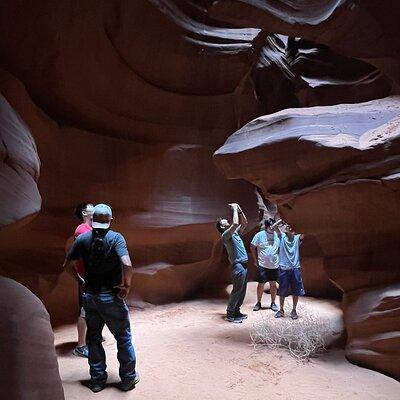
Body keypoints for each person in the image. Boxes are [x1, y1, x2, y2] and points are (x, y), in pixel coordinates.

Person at [63, 204, 139, 393]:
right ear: (110, 220)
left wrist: (80, 281)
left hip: (91, 297)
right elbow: (127, 264)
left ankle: (97, 380)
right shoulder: (116, 238)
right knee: (123, 337)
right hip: (111, 297)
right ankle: (128, 379)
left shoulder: (83, 239)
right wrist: (126, 286)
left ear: (93, 219)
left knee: (94, 338)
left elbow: (67, 264)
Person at [216, 203, 248, 323]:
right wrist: (234, 208)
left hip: (244, 266)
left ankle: (236, 311)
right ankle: (230, 314)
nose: (227, 221)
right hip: (238, 266)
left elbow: (244, 223)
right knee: (237, 290)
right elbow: (235, 224)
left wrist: (239, 210)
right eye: (224, 221)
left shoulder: (235, 233)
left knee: (242, 291)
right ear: (222, 227)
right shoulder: (225, 235)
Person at [72, 202, 94, 358]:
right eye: (91, 207)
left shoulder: (91, 229)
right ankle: (80, 346)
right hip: (86, 277)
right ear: (85, 213)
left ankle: (90, 336)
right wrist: (80, 278)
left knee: (93, 308)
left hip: (92, 276)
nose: (95, 209)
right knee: (84, 310)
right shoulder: (82, 230)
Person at [275, 222, 305, 320]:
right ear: (285, 228)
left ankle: (294, 310)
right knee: (282, 290)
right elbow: (273, 226)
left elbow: (305, 231)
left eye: (292, 227)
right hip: (283, 268)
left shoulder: (297, 238)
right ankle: (281, 309)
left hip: (295, 268)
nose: (290, 228)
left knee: (296, 290)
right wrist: (281, 221)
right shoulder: (282, 236)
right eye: (288, 227)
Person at [250, 218, 280, 312]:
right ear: (266, 227)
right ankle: (258, 302)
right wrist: (255, 260)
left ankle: (273, 303)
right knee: (261, 284)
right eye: (271, 226)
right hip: (263, 264)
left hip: (274, 265)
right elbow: (252, 246)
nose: (272, 228)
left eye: (274, 226)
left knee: (273, 284)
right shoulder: (259, 235)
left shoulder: (277, 235)